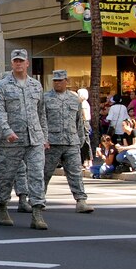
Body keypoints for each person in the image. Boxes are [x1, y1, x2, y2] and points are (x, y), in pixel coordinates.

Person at [0, 49, 48, 229]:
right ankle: (2, 206)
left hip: (34, 139)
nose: (19, 64)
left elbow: (41, 113)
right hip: (11, 140)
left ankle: (37, 213)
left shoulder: (36, 85)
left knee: (37, 175)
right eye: (15, 61)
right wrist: (6, 131)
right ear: (12, 64)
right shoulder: (3, 85)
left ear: (27, 63)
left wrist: (44, 136)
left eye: (21, 61)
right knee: (6, 176)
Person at [43, 70, 94, 213]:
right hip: (51, 142)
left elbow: (79, 121)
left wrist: (80, 140)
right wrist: (43, 139)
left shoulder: (74, 99)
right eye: (55, 80)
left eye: (60, 80)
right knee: (45, 172)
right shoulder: (45, 98)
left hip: (71, 142)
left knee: (75, 173)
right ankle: (39, 199)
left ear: (66, 81)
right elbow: (41, 120)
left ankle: (81, 201)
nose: (57, 83)